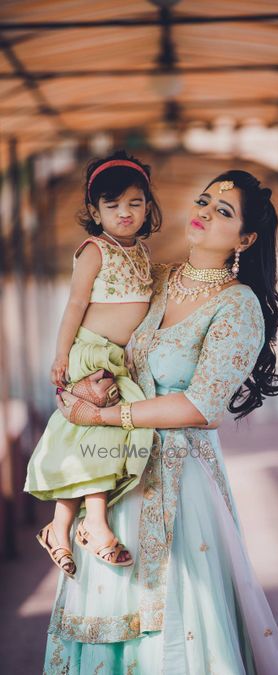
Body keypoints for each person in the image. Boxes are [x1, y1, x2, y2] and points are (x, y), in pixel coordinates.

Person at [43, 170, 278, 674]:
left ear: (246, 239)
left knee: (179, 621)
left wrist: (105, 415)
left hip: (181, 484)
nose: (203, 212)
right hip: (114, 474)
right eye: (203, 201)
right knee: (104, 606)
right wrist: (76, 379)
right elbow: (98, 328)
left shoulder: (239, 305)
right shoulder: (156, 277)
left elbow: (202, 407)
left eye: (222, 211)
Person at [24, 150, 162, 577]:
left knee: (99, 436)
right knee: (94, 433)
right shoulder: (94, 250)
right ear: (94, 211)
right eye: (113, 205)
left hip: (118, 359)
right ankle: (95, 525)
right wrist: (62, 354)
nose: (125, 213)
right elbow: (75, 304)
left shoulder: (141, 252)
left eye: (135, 204)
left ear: (148, 208)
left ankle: (61, 526)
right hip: (90, 351)